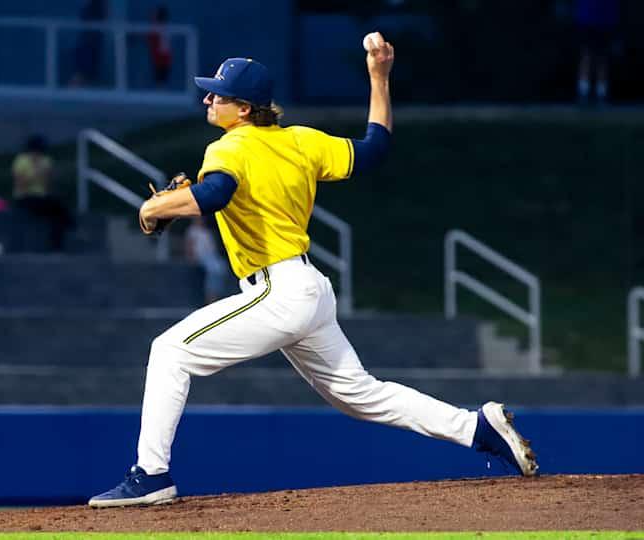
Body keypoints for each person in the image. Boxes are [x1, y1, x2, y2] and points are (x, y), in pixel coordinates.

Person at [89, 33, 538, 508]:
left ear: (243, 109)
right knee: (360, 394)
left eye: (218, 94)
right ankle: (477, 427)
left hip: (275, 291)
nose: (208, 98)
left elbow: (214, 194)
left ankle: (150, 475)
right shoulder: (301, 140)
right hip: (310, 290)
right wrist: (379, 78)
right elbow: (373, 149)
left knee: (169, 352)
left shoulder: (229, 147)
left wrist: (154, 206)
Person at [11, 134, 73, 251]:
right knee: (57, 209)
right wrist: (36, 173)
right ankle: (71, 226)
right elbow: (20, 184)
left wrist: (48, 175)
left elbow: (48, 183)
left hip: (42, 197)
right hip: (25, 197)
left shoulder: (46, 161)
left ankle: (57, 244)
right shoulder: (21, 161)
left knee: (58, 213)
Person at [575, 0, 619, 105]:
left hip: (605, 21)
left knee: (602, 58)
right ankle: (583, 93)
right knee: (587, 56)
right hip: (587, 19)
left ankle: (601, 94)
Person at [185, 217, 227, 303]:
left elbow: (213, 247)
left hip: (211, 256)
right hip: (200, 256)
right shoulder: (192, 230)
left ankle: (216, 293)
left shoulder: (207, 231)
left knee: (222, 266)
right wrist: (191, 257)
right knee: (214, 268)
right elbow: (189, 245)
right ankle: (210, 295)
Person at [147, 5, 173, 87]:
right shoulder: (156, 27)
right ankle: (159, 86)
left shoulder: (164, 28)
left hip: (163, 57)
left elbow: (164, 45)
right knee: (159, 76)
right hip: (158, 57)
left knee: (162, 77)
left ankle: (161, 87)